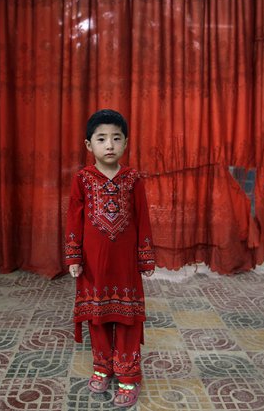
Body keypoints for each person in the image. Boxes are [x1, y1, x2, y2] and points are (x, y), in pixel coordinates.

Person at [64, 109, 156, 408]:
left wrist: (145, 257)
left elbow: (142, 217)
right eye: (101, 138)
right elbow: (74, 219)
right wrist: (73, 256)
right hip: (92, 265)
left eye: (116, 138)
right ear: (88, 144)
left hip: (125, 265)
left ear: (125, 143)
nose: (109, 145)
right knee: (97, 315)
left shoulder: (133, 179)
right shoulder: (82, 179)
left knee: (128, 318)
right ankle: (102, 367)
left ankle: (129, 375)